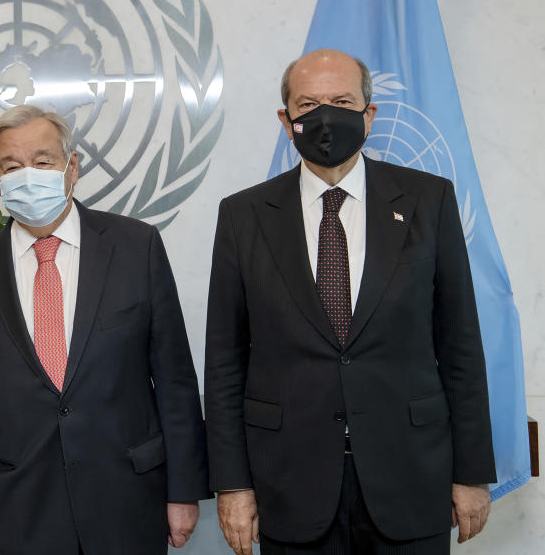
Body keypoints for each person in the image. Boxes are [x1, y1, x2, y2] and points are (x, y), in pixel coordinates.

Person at [205, 49, 496, 555]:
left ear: (370, 114)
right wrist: (233, 485)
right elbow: (225, 362)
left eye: (342, 101)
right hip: (289, 484)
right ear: (286, 120)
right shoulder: (243, 216)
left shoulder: (430, 201)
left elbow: (461, 349)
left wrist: (471, 474)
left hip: (410, 477)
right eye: (309, 104)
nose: (325, 116)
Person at [0, 105, 210, 555]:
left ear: (72, 166)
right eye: (12, 166)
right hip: (20, 510)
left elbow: (175, 381)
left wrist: (183, 492)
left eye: (43, 161)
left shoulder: (135, 246)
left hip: (128, 502)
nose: (29, 174)